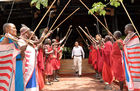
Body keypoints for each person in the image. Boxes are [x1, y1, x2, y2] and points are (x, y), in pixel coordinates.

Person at [0, 23, 24, 91]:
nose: (15, 30)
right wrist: (20, 50)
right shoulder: (5, 40)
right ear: (7, 30)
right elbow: (3, 53)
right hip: (12, 67)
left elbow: (20, 54)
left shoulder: (14, 40)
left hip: (18, 64)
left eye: (15, 28)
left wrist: (22, 51)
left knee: (19, 84)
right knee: (13, 85)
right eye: (13, 28)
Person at [123, 24, 140, 91]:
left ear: (128, 29)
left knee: (134, 75)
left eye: (125, 28)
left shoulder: (132, 36)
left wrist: (123, 47)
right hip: (133, 61)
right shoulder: (131, 36)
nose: (124, 30)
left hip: (134, 62)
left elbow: (125, 45)